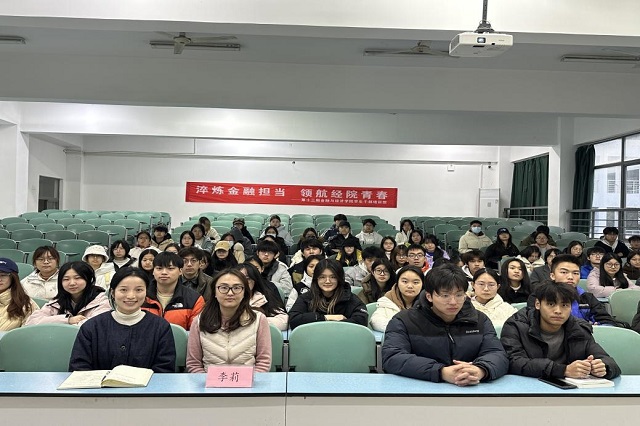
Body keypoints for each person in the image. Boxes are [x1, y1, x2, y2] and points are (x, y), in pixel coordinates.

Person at [382, 263, 509, 384]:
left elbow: (497, 354)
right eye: (445, 295)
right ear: (429, 296)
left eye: (459, 295)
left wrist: (480, 370)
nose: (453, 302)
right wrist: (440, 372)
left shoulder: (479, 320)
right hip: (422, 390)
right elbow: (393, 357)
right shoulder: (404, 321)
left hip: (472, 388)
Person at [500, 282, 621, 380]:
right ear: (537, 304)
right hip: (528, 388)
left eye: (564, 305)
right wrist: (563, 370)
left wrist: (603, 367)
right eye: (551, 304)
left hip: (569, 392)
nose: (558, 311)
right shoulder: (516, 325)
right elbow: (513, 362)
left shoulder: (579, 328)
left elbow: (609, 361)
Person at [68, 267, 176, 373]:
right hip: (98, 385)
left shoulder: (160, 327)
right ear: (113, 293)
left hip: (148, 385)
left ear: (146, 292)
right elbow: (79, 367)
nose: (131, 296)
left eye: (139, 290)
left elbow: (164, 369)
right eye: (123, 290)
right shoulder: (92, 327)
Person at [186, 268, 272, 373]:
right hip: (209, 382)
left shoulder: (258, 320)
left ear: (244, 292)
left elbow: (263, 363)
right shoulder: (199, 321)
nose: (230, 293)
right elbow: (194, 364)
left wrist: (249, 381)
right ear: (214, 292)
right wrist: (208, 381)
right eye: (223, 288)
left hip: (249, 381)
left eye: (237, 288)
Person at [526, 254, 624, 327]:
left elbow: (607, 321)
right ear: (552, 275)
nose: (570, 277)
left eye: (576, 273)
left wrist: (598, 328)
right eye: (564, 272)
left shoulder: (586, 297)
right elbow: (533, 322)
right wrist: (585, 325)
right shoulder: (539, 296)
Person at [289, 259, 368, 329]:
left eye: (333, 277)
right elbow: (293, 319)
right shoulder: (306, 298)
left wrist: (331, 326)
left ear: (339, 279)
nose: (327, 281)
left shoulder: (350, 298)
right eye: (322, 277)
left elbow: (362, 321)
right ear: (316, 279)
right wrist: (325, 317)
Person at [26, 261, 111, 326]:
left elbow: (95, 325)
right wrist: (68, 320)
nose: (72, 283)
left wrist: (54, 323)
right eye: (66, 279)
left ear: (88, 279)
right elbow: (31, 322)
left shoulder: (102, 301)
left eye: (77, 278)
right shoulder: (56, 303)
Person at [142, 252, 205, 330]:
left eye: (170, 268)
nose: (164, 272)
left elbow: (195, 332)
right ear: (153, 271)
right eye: (159, 268)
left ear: (180, 271)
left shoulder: (194, 299)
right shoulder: (142, 295)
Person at [236, 262, 288, 331]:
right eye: (241, 278)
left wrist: (256, 321)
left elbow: (284, 321)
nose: (245, 282)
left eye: (248, 278)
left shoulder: (263, 297)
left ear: (255, 280)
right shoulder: (227, 298)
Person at [370, 265, 419, 332]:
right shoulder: (387, 301)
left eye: (415, 282)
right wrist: (405, 329)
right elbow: (376, 321)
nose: (410, 286)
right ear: (397, 283)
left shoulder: (429, 302)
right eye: (405, 281)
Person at [0, 258, 39, 331]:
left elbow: (30, 333)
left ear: (13, 277)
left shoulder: (26, 304)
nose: (0, 279)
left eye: (3, 275)